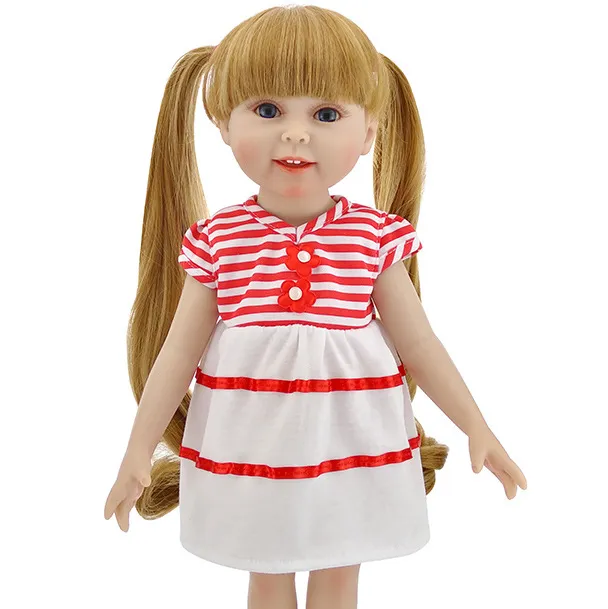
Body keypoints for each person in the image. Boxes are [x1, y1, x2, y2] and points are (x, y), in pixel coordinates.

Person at [104, 5, 527, 609]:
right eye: (267, 110)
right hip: (251, 447)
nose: (296, 134)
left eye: (326, 114)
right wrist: (137, 451)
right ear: (222, 121)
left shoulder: (372, 237)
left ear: (369, 131)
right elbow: (177, 354)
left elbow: (420, 346)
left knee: (339, 571)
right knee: (267, 571)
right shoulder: (219, 240)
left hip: (350, 442)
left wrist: (476, 426)